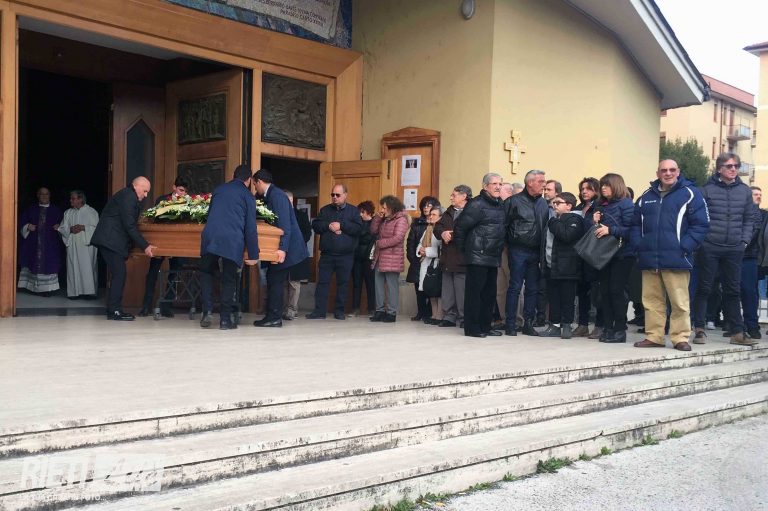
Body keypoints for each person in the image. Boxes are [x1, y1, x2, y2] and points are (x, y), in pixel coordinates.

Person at [631, 160, 709, 351]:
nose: (668, 173)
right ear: (657, 173)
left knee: (679, 302)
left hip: (677, 258)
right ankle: (654, 336)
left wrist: (685, 246)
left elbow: (701, 225)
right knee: (651, 301)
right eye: (664, 170)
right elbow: (635, 225)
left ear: (678, 172)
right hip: (650, 258)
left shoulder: (690, 194)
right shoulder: (646, 196)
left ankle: (680, 337)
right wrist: (639, 245)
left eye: (672, 170)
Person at [692, 153, 758, 346]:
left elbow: (749, 219)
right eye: (729, 166)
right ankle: (699, 329)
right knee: (704, 288)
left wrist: (744, 241)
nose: (733, 169)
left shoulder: (745, 191)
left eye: (736, 166)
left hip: (734, 248)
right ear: (719, 168)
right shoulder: (706, 190)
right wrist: (702, 241)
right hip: (709, 246)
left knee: (733, 290)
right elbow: (697, 218)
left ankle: (737, 332)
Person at [199, 165, 259, 329]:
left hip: (210, 237)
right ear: (248, 180)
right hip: (232, 240)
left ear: (234, 176)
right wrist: (253, 254)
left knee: (206, 272)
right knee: (229, 278)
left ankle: (207, 311)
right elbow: (250, 227)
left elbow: (211, 214)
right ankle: (225, 320)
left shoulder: (219, 190)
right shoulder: (248, 196)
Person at [91, 177, 157, 320]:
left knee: (118, 274)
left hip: (111, 241)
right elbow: (129, 225)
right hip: (110, 241)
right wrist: (145, 246)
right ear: (136, 186)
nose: (146, 195)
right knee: (119, 274)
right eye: (145, 191)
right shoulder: (128, 196)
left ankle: (113, 309)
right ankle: (115, 311)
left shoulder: (127, 195)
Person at [454, 172, 506, 338]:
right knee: (474, 294)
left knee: (489, 294)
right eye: (494, 184)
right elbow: (460, 228)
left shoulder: (500, 204)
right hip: (477, 256)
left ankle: (485, 326)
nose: (498, 187)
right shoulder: (476, 204)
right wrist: (464, 251)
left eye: (500, 184)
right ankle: (472, 328)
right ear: (485, 186)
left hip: (493, 255)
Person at [253, 169, 307, 328]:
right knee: (273, 279)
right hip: (279, 247)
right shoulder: (271, 195)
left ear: (260, 182)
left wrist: (282, 249)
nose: (255, 189)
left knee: (275, 280)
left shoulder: (277, 196)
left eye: (255, 185)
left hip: (286, 248)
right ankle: (272, 316)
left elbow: (285, 225)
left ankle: (274, 317)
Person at [307, 184, 363, 320]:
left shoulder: (353, 211)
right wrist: (328, 226)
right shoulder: (325, 210)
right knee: (322, 283)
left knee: (343, 284)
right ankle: (319, 311)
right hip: (327, 255)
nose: (335, 197)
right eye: (333, 195)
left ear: (345, 195)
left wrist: (341, 225)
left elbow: (358, 229)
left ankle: (339, 311)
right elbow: (316, 226)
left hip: (346, 255)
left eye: (338, 195)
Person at [590, 173, 635, 343]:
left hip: (622, 254)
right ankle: (608, 328)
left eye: (607, 185)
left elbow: (632, 230)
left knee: (617, 291)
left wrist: (611, 230)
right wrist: (594, 222)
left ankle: (620, 329)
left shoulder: (626, 204)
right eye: (602, 185)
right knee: (605, 291)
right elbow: (595, 231)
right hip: (604, 253)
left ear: (616, 186)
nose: (603, 188)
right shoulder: (600, 205)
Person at [504, 169, 548, 336]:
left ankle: (528, 323)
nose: (544, 184)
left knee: (533, 288)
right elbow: (503, 225)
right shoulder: (513, 201)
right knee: (515, 287)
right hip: (518, 250)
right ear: (530, 183)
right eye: (540, 181)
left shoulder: (543, 203)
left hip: (537, 251)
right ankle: (510, 323)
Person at [138, 176, 190, 317]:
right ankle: (146, 306)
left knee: (174, 274)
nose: (183, 194)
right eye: (181, 190)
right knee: (153, 272)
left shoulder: (189, 203)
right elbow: (156, 219)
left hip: (178, 243)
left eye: (185, 191)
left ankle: (167, 306)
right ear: (174, 187)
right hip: (161, 240)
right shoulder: (162, 200)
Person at [538, 192, 585, 339]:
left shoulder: (575, 219)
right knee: (554, 298)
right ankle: (554, 325)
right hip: (552, 266)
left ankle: (567, 325)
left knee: (567, 298)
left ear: (569, 206)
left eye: (558, 203)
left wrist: (553, 222)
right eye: (553, 203)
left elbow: (566, 235)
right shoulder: (555, 219)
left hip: (568, 267)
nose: (554, 205)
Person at [433, 185, 472, 328]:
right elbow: (437, 227)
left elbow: (471, 231)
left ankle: (463, 317)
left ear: (464, 196)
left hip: (462, 258)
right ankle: (449, 316)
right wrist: (442, 233)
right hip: (447, 257)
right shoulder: (449, 211)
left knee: (461, 291)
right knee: (448, 290)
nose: (451, 198)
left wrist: (452, 235)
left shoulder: (471, 210)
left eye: (454, 195)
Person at [18, 187, 64, 295]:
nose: (44, 196)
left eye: (46, 194)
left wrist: (60, 226)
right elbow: (21, 222)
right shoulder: (31, 209)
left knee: (49, 264)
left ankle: (47, 289)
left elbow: (64, 224)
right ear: (38, 195)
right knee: (32, 262)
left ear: (50, 196)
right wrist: (27, 226)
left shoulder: (56, 210)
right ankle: (31, 288)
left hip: (50, 244)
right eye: (42, 194)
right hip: (33, 243)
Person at [369, 195, 409, 322]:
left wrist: (380, 243)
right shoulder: (384, 219)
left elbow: (398, 238)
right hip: (380, 257)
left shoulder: (401, 220)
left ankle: (391, 313)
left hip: (393, 258)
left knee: (392, 286)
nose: (382, 210)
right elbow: (373, 231)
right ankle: (379, 311)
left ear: (392, 208)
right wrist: (377, 218)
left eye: (384, 208)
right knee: (378, 285)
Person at [57, 190, 99, 299]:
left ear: (80, 199)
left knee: (87, 268)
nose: (70, 200)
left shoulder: (91, 212)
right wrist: (70, 229)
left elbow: (98, 229)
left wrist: (83, 227)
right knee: (73, 267)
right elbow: (62, 228)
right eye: (71, 198)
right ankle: (74, 293)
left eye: (73, 198)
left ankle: (89, 293)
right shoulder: (68, 212)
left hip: (87, 245)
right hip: (72, 244)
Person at [573, 177, 601, 338]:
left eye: (588, 188)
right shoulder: (578, 208)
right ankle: (582, 325)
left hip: (594, 253)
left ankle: (599, 325)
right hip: (580, 253)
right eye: (582, 189)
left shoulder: (600, 207)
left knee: (597, 291)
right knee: (582, 290)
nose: (584, 191)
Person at [406, 196, 439, 322]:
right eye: (424, 206)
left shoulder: (437, 224)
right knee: (418, 289)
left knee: (431, 287)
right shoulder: (417, 223)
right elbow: (410, 243)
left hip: (432, 261)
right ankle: (421, 312)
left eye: (429, 206)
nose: (426, 208)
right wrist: (413, 259)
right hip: (418, 260)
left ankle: (430, 313)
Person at [282, 190, 312, 321]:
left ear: (292, 200)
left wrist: (296, 244)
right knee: (283, 282)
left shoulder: (301, 215)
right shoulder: (278, 215)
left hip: (297, 253)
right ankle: (284, 308)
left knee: (294, 282)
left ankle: (292, 309)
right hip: (283, 251)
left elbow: (307, 234)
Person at [739, 186, 764, 339]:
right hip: (735, 256)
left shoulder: (760, 214)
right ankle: (736, 325)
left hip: (750, 257)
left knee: (749, 292)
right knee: (733, 291)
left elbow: (754, 234)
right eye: (755, 194)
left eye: (760, 195)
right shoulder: (740, 210)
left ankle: (752, 326)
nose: (758, 197)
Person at [417, 206, 443, 325]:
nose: (430, 217)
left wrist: (426, 251)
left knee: (438, 291)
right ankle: (433, 314)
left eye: (434, 215)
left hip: (438, 264)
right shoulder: (428, 229)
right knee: (431, 290)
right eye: (430, 214)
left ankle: (439, 315)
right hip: (427, 263)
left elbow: (441, 249)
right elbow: (420, 243)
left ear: (440, 217)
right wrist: (420, 250)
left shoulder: (441, 229)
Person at [351, 200, 376, 317]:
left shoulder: (375, 224)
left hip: (369, 258)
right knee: (356, 284)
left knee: (370, 284)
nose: (360, 214)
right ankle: (355, 308)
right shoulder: (357, 223)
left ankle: (372, 309)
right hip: (357, 258)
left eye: (362, 212)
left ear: (368, 212)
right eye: (359, 212)